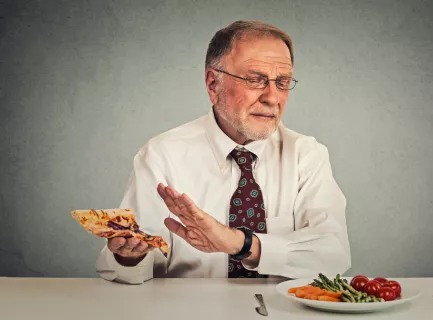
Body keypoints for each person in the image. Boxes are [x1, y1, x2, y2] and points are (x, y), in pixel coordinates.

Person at [96, 20, 351, 284]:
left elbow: (332, 255)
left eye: (283, 82)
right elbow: (129, 266)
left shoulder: (306, 155)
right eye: (255, 80)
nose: (273, 98)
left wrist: (238, 244)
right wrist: (130, 257)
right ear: (212, 84)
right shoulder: (161, 154)